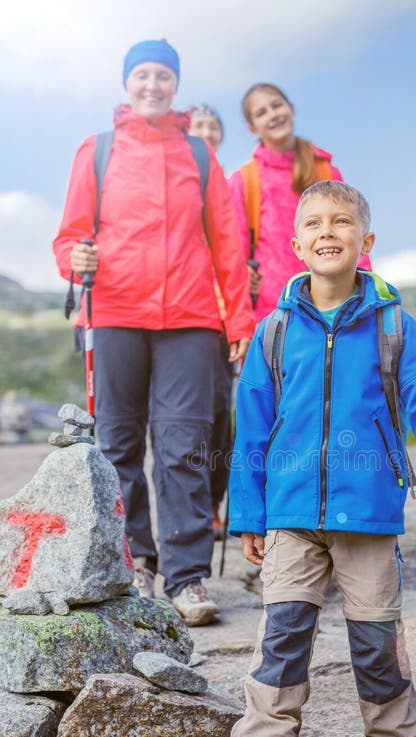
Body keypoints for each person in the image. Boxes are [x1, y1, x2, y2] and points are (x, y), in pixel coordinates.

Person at [227, 181, 416, 737]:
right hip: (291, 515)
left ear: (365, 242)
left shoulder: (394, 324)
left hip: (367, 513)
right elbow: (251, 428)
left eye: (341, 221)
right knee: (282, 638)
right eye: (314, 223)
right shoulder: (275, 330)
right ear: (295, 245)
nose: (328, 231)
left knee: (374, 639)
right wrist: (248, 514)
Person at [53, 40, 255, 627]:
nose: (152, 85)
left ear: (175, 86)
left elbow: (227, 242)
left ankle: (187, 577)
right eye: (142, 74)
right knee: (116, 443)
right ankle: (136, 560)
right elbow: (68, 236)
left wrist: (238, 319)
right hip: (114, 311)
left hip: (191, 317)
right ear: (126, 83)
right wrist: (75, 259)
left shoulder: (197, 154)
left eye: (163, 76)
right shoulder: (98, 150)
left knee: (184, 446)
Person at [228, 83, 370, 321]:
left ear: (291, 108)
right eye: (261, 113)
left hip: (335, 309)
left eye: (276, 105)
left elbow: (353, 235)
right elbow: (236, 256)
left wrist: (364, 293)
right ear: (252, 128)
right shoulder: (244, 181)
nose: (273, 115)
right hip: (273, 315)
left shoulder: (326, 172)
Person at [187, 102, 232, 539]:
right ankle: (195, 508)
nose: (205, 131)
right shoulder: (175, 178)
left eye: (212, 126)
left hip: (223, 321)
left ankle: (215, 504)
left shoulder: (232, 185)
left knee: (222, 417)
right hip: (186, 315)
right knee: (187, 418)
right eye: (197, 124)